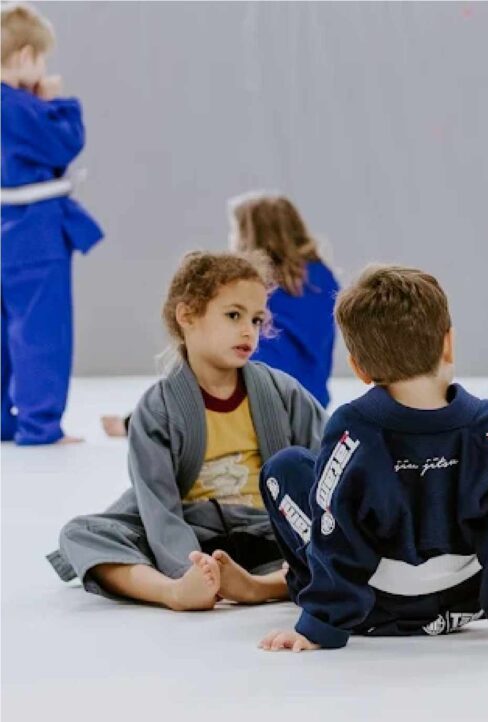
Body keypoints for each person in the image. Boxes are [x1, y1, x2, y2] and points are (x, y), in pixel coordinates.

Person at [258, 264, 488, 651]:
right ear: (448, 343)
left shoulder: (352, 428)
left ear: (360, 369)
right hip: (469, 601)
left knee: (284, 469)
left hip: (373, 608)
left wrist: (320, 626)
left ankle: (305, 587)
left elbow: (337, 527)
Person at [47, 251, 326, 610]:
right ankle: (175, 591)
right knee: (80, 534)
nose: (248, 331)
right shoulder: (157, 408)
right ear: (187, 315)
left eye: (256, 320)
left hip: (270, 529)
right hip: (193, 529)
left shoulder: (282, 391)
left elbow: (319, 467)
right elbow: (158, 502)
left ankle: (257, 586)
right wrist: (188, 569)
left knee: (337, 539)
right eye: (233, 315)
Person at [102, 192, 339, 437]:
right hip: (312, 402)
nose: (231, 238)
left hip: (257, 400)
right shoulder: (325, 278)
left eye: (235, 231)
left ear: (250, 236)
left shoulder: (250, 284)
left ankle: (140, 422)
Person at [1, 3, 103, 445]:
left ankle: (5, 422)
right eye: (41, 58)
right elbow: (65, 143)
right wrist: (53, 100)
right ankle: (40, 425)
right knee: (41, 330)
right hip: (31, 233)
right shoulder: (21, 107)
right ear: (25, 56)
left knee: (5, 329)